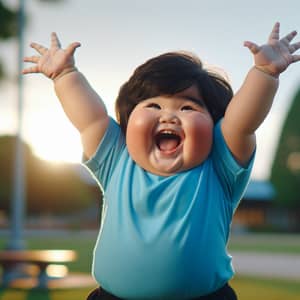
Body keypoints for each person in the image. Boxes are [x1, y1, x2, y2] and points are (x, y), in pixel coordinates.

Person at [23, 22, 300, 300]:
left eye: (187, 107)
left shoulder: (218, 166)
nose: (168, 116)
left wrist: (264, 73)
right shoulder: (117, 160)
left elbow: (242, 122)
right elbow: (91, 117)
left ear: (215, 128)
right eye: (153, 105)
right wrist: (65, 74)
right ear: (128, 124)